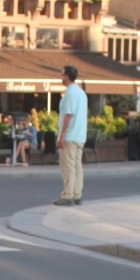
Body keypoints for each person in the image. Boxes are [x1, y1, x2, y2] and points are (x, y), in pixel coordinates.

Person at [53, 65, 87, 206]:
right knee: (77, 166)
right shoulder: (81, 92)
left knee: (68, 166)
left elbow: (69, 115)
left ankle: (68, 195)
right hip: (80, 135)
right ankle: (76, 194)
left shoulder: (70, 93)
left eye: (61, 74)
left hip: (71, 135)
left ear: (67, 76)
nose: (61, 77)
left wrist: (62, 136)